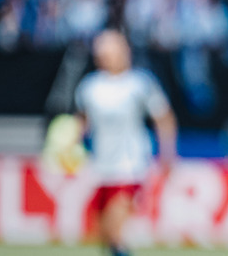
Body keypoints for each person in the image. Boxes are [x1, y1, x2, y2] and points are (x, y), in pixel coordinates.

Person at [74, 30, 177, 256]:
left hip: (131, 165)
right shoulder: (89, 87)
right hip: (101, 165)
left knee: (114, 231)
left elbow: (164, 118)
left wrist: (167, 154)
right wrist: (71, 145)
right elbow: (81, 122)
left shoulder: (140, 84)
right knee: (104, 235)